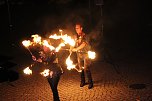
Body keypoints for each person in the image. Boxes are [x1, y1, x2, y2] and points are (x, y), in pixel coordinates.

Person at [72, 22, 93, 89]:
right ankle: (83, 82)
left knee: (86, 69)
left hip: (86, 54)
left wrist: (76, 49)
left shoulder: (85, 35)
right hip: (79, 55)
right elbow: (72, 44)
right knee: (80, 68)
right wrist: (71, 48)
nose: (76, 29)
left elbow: (84, 44)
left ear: (81, 28)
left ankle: (90, 82)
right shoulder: (75, 36)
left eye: (78, 28)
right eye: (76, 28)